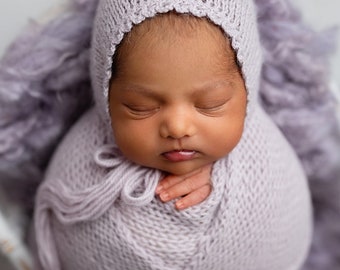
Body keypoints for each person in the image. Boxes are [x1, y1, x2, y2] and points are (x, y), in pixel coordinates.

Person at [32, 0, 313, 269]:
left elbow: (282, 224)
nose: (178, 128)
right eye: (140, 107)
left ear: (247, 89)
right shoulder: (80, 172)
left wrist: (233, 184)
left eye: (210, 104)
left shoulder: (268, 163)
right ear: (105, 96)